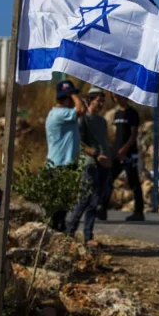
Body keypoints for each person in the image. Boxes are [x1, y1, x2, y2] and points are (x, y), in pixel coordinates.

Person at [66, 88, 111, 242]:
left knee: (94, 201)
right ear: (90, 100)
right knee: (85, 198)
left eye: (103, 101)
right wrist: (96, 154)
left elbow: (104, 141)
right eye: (98, 100)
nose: (101, 104)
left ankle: (88, 235)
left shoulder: (102, 121)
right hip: (89, 163)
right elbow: (79, 142)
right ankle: (69, 231)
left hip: (103, 164)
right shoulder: (83, 119)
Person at [46, 80, 86, 231]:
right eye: (71, 98)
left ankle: (59, 229)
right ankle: (56, 230)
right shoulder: (61, 114)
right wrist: (74, 94)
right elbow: (81, 110)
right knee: (59, 203)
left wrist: (73, 95)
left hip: (63, 163)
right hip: (60, 164)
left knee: (63, 203)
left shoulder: (61, 114)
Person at [109, 94, 144, 222]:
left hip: (129, 154)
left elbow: (133, 135)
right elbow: (117, 134)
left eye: (119, 96)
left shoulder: (132, 113)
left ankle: (139, 212)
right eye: (114, 97)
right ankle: (102, 208)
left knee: (134, 183)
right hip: (116, 154)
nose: (117, 98)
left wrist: (125, 149)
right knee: (108, 179)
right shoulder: (117, 114)